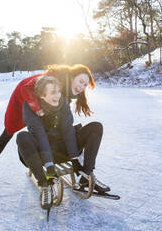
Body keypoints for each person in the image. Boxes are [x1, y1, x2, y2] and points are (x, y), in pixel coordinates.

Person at [0, 64, 95, 179]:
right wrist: (37, 108)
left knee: (57, 125)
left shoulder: (68, 86)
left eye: (85, 84)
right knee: (9, 130)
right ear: (72, 76)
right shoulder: (53, 77)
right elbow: (25, 88)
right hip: (22, 100)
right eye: (80, 81)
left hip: (43, 101)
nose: (82, 86)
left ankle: (64, 153)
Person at [17, 75, 109, 209]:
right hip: (41, 154)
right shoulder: (29, 108)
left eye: (59, 91)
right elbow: (40, 136)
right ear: (42, 95)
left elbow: (68, 130)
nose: (58, 95)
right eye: (53, 92)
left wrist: (74, 158)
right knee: (22, 137)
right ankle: (44, 185)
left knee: (96, 127)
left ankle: (86, 174)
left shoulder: (63, 103)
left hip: (62, 148)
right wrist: (49, 165)